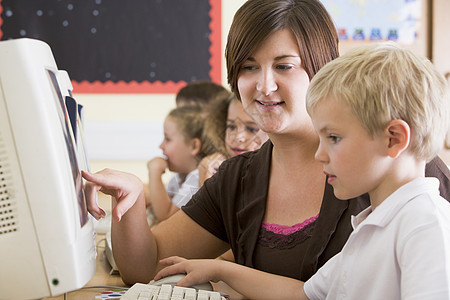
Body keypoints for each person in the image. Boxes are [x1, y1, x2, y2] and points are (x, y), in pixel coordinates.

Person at [81, 0, 450, 288]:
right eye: (248, 67)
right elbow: (148, 266)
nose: (264, 85)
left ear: (321, 66)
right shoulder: (237, 178)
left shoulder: (392, 163)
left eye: (284, 66)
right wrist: (128, 198)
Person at [152, 42, 450, 299]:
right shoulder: (373, 224)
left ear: (394, 139)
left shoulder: (423, 224)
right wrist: (218, 268)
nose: (320, 154)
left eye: (333, 138)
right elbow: (304, 293)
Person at [145, 105, 212, 222]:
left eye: (168, 139)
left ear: (194, 146)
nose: (161, 146)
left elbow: (166, 217)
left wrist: (154, 172)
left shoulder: (197, 178)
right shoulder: (180, 175)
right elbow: (163, 202)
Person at [198, 92, 269, 185]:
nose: (238, 137)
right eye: (231, 127)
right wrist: (205, 179)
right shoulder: (212, 170)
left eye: (251, 129)